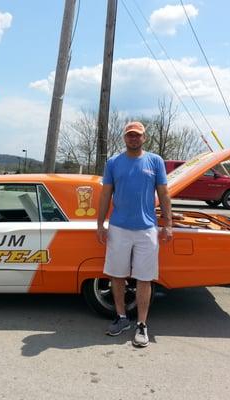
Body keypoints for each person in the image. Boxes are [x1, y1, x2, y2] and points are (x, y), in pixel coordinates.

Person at [96, 121, 172, 347]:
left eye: (137, 135)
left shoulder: (155, 161)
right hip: (119, 228)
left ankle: (141, 324)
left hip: (147, 229)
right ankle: (121, 317)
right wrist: (100, 224)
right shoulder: (113, 163)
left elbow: (164, 193)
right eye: (130, 135)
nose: (133, 139)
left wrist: (167, 223)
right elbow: (105, 195)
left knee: (144, 277)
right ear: (124, 138)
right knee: (117, 275)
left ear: (144, 138)